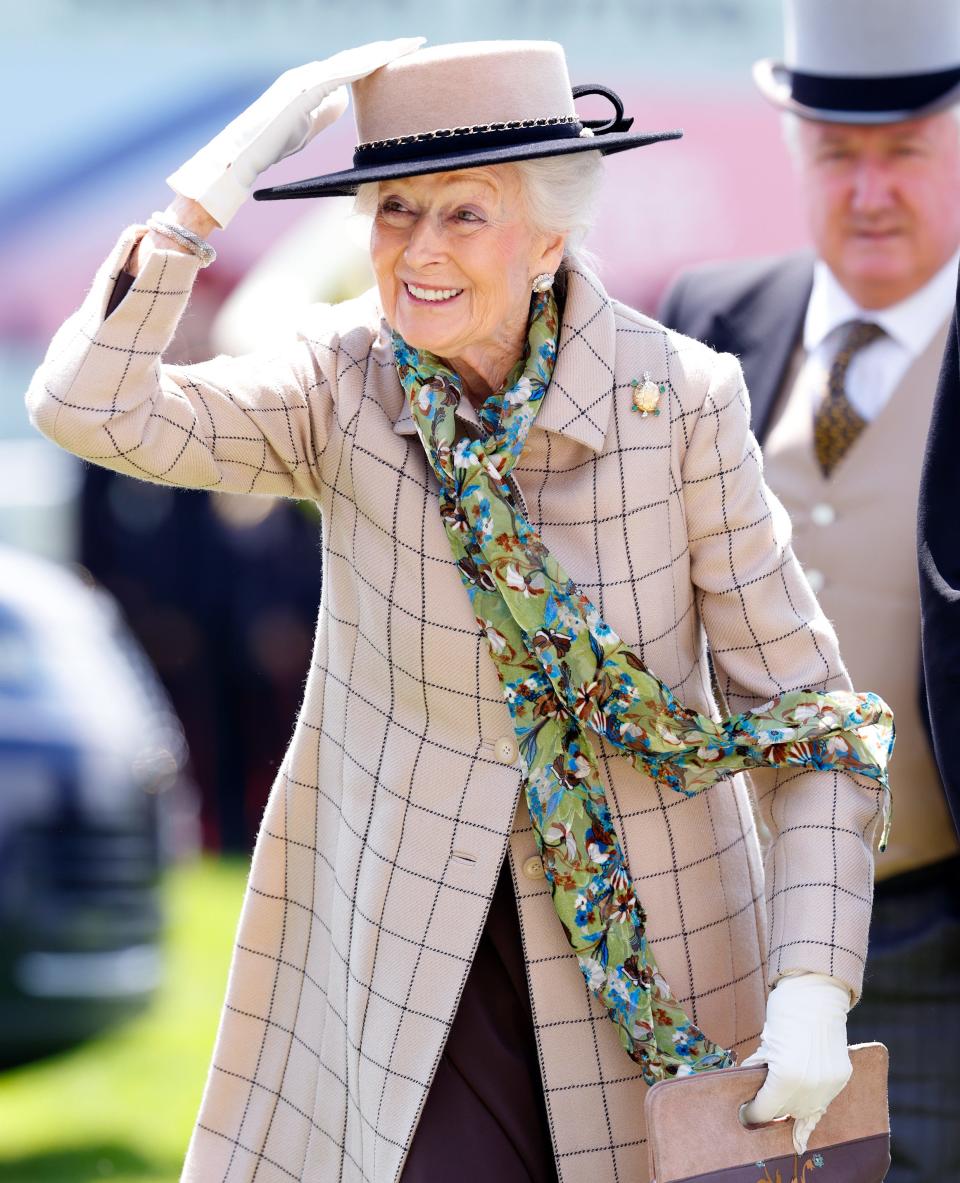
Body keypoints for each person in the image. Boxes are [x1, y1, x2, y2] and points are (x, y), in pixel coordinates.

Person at [26, 39, 893, 1183]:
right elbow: (88, 405)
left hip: (662, 958)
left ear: (549, 241)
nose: (419, 251)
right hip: (409, 956)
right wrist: (221, 180)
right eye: (392, 211)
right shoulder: (341, 384)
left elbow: (807, 714)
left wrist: (813, 990)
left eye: (464, 215)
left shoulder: (680, 402)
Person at [659, 2, 960, 1178]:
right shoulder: (708, 322)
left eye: (908, 152)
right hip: (718, 938)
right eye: (838, 153)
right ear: (791, 148)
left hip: (936, 941)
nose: (870, 190)